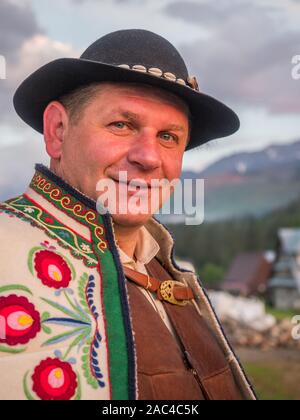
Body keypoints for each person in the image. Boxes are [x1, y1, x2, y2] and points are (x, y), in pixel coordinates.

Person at [0, 29, 255, 400]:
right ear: (57, 131)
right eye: (121, 125)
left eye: (169, 136)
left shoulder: (170, 271)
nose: (149, 157)